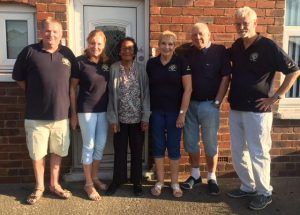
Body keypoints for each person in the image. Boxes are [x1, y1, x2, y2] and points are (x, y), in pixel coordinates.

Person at [227, 7, 300, 210]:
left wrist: (276, 97)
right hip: (236, 108)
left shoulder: (268, 46)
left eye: (245, 23)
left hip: (258, 111)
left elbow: (294, 71)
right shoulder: (236, 46)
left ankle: (264, 192)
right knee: (238, 151)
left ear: (254, 24)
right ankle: (248, 186)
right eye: (238, 23)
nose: (241, 27)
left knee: (258, 152)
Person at [12, 17, 78, 204]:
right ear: (41, 32)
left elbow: (73, 85)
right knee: (37, 154)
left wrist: (73, 113)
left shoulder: (67, 54)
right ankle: (39, 186)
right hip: (35, 116)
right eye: (47, 31)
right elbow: (19, 78)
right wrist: (34, 91)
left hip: (60, 116)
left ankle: (54, 184)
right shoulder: (29, 52)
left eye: (55, 31)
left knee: (57, 152)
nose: (51, 34)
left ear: (61, 34)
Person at [178, 23, 231, 195]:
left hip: (210, 104)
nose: (197, 38)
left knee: (210, 143)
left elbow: (226, 77)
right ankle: (195, 175)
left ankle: (212, 176)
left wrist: (217, 102)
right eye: (194, 35)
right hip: (190, 105)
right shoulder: (187, 52)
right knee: (191, 142)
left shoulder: (219, 51)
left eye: (201, 34)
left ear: (209, 34)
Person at [147, 31, 192, 198]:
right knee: (158, 147)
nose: (167, 47)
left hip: (175, 113)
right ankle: (159, 182)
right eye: (164, 43)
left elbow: (188, 89)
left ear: (174, 46)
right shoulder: (151, 63)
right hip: (156, 112)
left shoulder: (181, 62)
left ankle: (174, 183)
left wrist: (182, 114)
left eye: (170, 44)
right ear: (159, 45)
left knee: (173, 147)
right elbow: (147, 89)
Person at [106, 37, 150, 196]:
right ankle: (117, 180)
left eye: (130, 48)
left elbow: (146, 95)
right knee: (120, 152)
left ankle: (136, 181)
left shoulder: (140, 69)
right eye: (124, 48)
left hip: (138, 120)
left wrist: (145, 117)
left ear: (134, 52)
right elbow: (111, 95)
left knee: (137, 152)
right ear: (119, 51)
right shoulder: (114, 68)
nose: (127, 51)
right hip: (120, 120)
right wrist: (112, 119)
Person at [70, 30, 110, 201]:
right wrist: (73, 113)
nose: (96, 46)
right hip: (86, 110)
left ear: (104, 45)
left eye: (99, 43)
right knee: (89, 146)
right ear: (88, 42)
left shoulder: (107, 62)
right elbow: (72, 88)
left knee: (100, 146)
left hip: (104, 110)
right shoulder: (79, 62)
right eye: (93, 43)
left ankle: (94, 177)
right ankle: (88, 184)